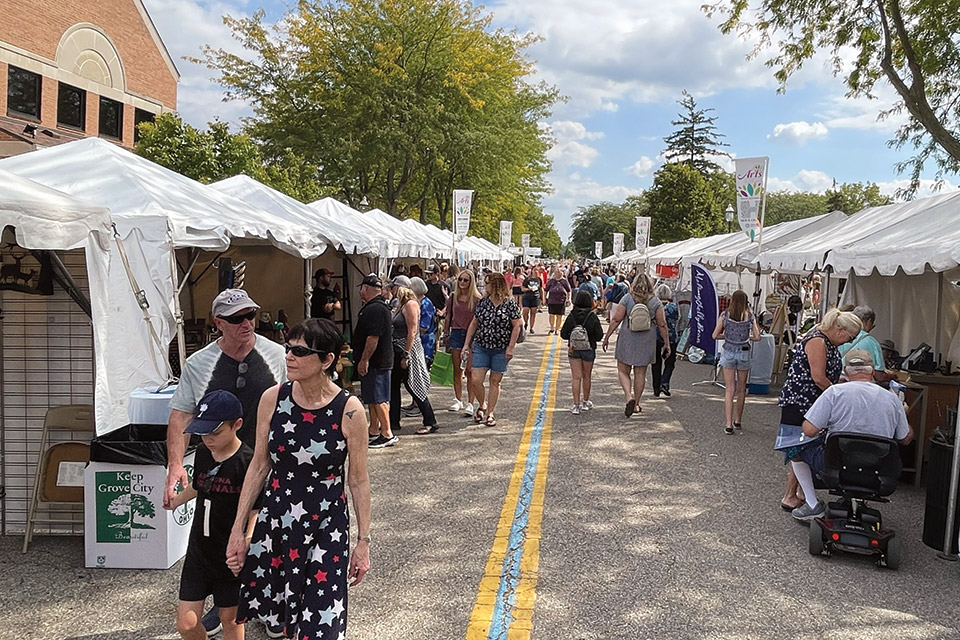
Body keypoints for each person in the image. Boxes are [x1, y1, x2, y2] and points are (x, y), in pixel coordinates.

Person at [228, 318, 372, 639]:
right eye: (287, 348)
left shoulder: (349, 410)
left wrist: (363, 542)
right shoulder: (273, 398)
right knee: (283, 622)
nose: (288, 356)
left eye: (299, 351)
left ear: (327, 361)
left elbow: (359, 481)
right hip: (278, 523)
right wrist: (239, 530)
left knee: (320, 625)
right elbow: (259, 465)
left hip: (326, 526)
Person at [163, 288, 287, 637]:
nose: (247, 323)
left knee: (268, 535)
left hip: (267, 464)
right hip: (219, 469)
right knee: (222, 538)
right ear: (219, 323)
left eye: (251, 315)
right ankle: (226, 606)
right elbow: (180, 416)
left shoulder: (276, 355)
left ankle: (271, 604)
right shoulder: (199, 364)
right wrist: (175, 467)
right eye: (237, 319)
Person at [166, 390, 259, 640]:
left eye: (215, 432)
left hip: (228, 555)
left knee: (230, 619)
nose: (208, 438)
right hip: (199, 552)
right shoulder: (204, 453)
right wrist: (176, 501)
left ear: (237, 425)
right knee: (186, 623)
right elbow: (199, 485)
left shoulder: (247, 461)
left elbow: (256, 509)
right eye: (203, 431)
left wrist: (247, 540)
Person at [789, 350, 913, 520]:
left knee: (794, 448)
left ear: (846, 371)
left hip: (837, 466)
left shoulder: (834, 393)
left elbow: (809, 430)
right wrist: (903, 413)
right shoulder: (892, 399)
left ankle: (812, 504)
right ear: (872, 371)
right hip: (880, 469)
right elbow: (905, 439)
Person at [778, 308, 862, 512]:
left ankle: (796, 494)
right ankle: (798, 497)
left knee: (800, 449)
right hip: (801, 402)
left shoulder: (824, 339)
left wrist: (839, 383)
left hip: (809, 401)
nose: (848, 342)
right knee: (798, 449)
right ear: (840, 329)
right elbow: (818, 377)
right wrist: (839, 395)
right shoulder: (818, 340)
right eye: (849, 337)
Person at [602, 274, 669, 417]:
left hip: (628, 336)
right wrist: (667, 343)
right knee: (640, 373)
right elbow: (662, 324)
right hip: (647, 338)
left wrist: (607, 337)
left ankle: (628, 396)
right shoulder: (655, 301)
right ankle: (636, 404)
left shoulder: (627, 298)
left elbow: (616, 319)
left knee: (623, 370)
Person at [464, 272, 522, 427]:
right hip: (482, 346)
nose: (485, 285)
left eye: (487, 282)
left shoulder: (509, 303)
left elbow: (517, 325)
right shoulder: (483, 303)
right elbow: (474, 323)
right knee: (476, 379)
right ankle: (482, 404)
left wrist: (511, 347)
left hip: (501, 348)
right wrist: (466, 344)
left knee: (495, 381)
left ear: (495, 284)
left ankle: (490, 412)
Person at [352, 274, 396, 448]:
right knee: (372, 397)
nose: (360, 291)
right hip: (379, 360)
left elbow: (373, 337)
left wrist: (364, 360)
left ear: (365, 288)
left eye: (361, 288)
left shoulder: (375, 309)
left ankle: (387, 433)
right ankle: (374, 429)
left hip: (377, 361)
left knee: (379, 398)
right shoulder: (376, 307)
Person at [390, 285, 439, 435]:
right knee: (393, 387)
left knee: (413, 385)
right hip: (396, 348)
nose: (392, 292)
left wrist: (406, 354)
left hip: (407, 349)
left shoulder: (410, 304)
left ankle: (430, 420)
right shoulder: (400, 305)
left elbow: (412, 331)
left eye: (393, 288)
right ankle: (393, 421)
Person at [712, 290, 762, 435]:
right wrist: (747, 339)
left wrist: (726, 336)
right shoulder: (750, 316)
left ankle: (728, 424)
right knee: (741, 389)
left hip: (728, 351)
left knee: (729, 389)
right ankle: (738, 420)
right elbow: (758, 336)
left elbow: (714, 335)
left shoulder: (725, 315)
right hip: (744, 352)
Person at [444, 269, 481, 416]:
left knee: (470, 371)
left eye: (465, 280)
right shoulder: (453, 297)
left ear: (471, 282)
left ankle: (471, 402)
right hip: (456, 332)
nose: (462, 283)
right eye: (460, 279)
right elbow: (448, 316)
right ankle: (458, 398)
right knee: (457, 369)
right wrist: (446, 333)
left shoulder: (477, 299)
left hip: (472, 335)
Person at [560, 290, 604, 414]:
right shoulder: (592, 316)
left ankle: (576, 405)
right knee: (587, 376)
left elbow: (563, 334)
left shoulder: (572, 316)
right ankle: (585, 401)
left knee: (576, 377)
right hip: (588, 348)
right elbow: (599, 335)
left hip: (574, 349)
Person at [838, 305, 892, 381]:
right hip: (861, 385)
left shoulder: (841, 336)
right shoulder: (872, 342)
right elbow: (879, 376)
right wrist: (892, 377)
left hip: (839, 382)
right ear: (869, 321)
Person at [652, 284, 679, 398]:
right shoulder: (673, 307)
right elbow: (677, 319)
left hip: (656, 337)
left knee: (656, 363)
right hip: (671, 337)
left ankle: (656, 388)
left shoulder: (655, 306)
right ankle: (665, 382)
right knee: (670, 363)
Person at [545, 266, 571, 335]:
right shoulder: (551, 281)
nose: (557, 273)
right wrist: (544, 299)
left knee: (559, 315)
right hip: (552, 300)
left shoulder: (564, 281)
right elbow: (546, 290)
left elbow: (568, 290)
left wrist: (568, 299)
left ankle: (557, 329)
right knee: (551, 315)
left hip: (561, 300)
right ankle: (552, 328)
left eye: (559, 272)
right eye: (556, 272)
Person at [423, 265, 448, 333]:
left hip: (438, 316)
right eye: (427, 274)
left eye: (430, 274)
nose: (428, 276)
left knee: (437, 338)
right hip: (427, 314)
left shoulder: (443, 285)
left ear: (437, 273)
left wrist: (443, 312)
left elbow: (449, 302)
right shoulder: (425, 284)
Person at [521, 269, 541, 333]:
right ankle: (526, 323)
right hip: (527, 296)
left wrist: (542, 298)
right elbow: (522, 288)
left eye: (537, 270)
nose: (536, 271)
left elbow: (541, 289)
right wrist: (528, 289)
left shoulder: (539, 279)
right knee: (525, 311)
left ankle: (531, 327)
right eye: (535, 270)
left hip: (535, 297)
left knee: (533, 313)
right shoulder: (527, 279)